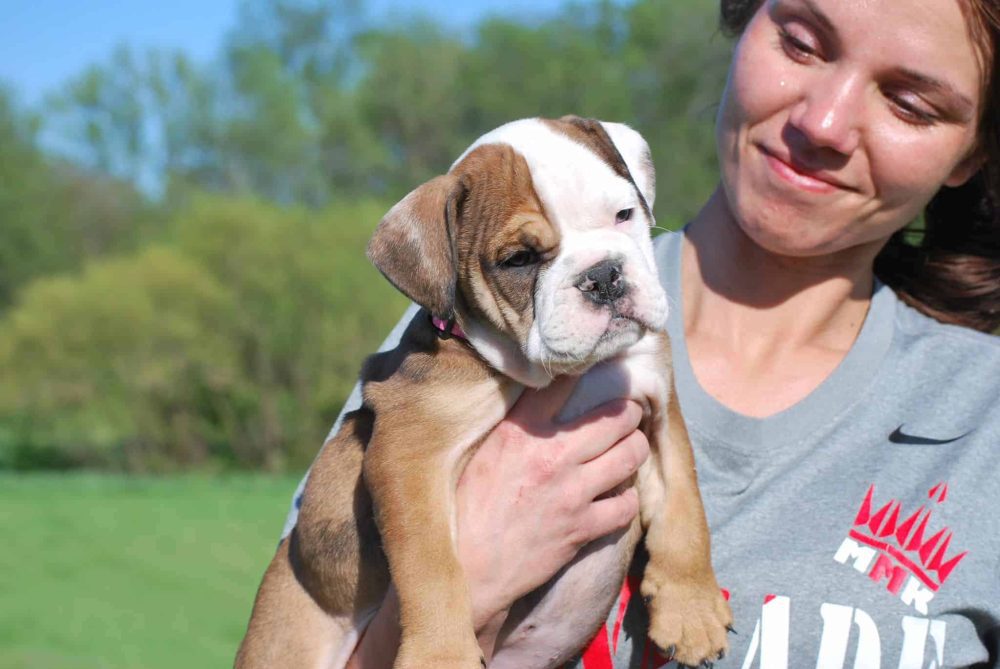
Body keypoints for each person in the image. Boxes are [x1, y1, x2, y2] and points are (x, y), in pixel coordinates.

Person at [283, 0, 1000, 666]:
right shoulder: (470, 328)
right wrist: (462, 587)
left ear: (973, 151)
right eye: (802, 43)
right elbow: (313, 609)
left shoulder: (980, 415)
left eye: (909, 103)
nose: (824, 122)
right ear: (745, 19)